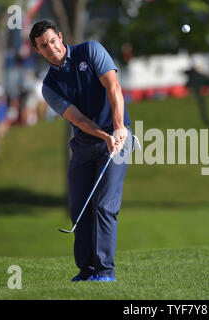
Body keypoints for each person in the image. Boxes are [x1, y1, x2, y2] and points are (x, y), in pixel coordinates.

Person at [29, 20, 132, 282]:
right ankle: (86, 270)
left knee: (105, 205)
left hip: (119, 136)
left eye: (53, 41)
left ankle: (105, 271)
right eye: (43, 46)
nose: (51, 48)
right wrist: (102, 136)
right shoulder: (49, 87)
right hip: (86, 142)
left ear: (60, 37)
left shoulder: (91, 51)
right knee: (79, 208)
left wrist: (118, 129)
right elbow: (78, 119)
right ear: (37, 50)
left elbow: (114, 87)